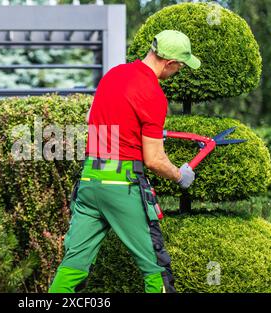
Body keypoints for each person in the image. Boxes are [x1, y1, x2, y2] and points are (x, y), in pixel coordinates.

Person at [48, 30, 201, 293]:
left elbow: (103, 124)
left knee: (73, 265)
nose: (179, 71)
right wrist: (179, 175)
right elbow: (153, 160)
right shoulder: (153, 94)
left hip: (89, 181)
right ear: (170, 63)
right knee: (156, 268)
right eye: (181, 66)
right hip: (122, 185)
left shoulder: (113, 75)